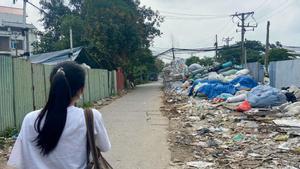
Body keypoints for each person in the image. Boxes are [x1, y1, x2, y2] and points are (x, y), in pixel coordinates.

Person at [7, 61, 111, 169]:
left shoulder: (30, 119)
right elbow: (105, 147)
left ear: (53, 85)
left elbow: (22, 158)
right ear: (81, 89)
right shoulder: (90, 116)